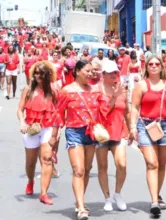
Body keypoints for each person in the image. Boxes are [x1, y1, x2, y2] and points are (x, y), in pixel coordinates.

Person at [57, 60, 110, 220]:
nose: (90, 74)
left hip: (91, 133)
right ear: (78, 71)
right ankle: (81, 208)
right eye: (87, 71)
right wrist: (54, 136)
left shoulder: (96, 90)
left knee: (87, 169)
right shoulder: (67, 91)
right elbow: (58, 113)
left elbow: (105, 111)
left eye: (92, 71)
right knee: (78, 170)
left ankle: (79, 200)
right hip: (74, 131)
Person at [128, 55, 166, 217]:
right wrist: (132, 127)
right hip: (146, 125)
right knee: (152, 163)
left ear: (162, 67)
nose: (154, 66)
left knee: (162, 164)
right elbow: (134, 108)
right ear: (146, 67)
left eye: (157, 64)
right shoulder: (141, 86)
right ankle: (154, 201)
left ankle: (157, 194)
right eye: (151, 64)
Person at [17, 61, 60, 205]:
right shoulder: (28, 90)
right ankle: (30, 181)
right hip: (31, 128)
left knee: (46, 159)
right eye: (35, 73)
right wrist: (22, 122)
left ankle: (44, 193)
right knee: (30, 162)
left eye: (41, 74)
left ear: (47, 75)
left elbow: (58, 113)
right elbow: (20, 109)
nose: (37, 76)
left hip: (47, 128)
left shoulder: (54, 90)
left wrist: (56, 132)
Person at [96, 61, 128, 211]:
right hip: (101, 134)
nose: (114, 75)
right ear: (103, 75)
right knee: (103, 167)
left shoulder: (123, 89)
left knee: (121, 164)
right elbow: (103, 112)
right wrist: (114, 97)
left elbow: (127, 110)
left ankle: (118, 193)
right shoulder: (97, 90)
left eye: (115, 72)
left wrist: (131, 128)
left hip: (118, 132)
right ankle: (107, 198)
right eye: (110, 73)